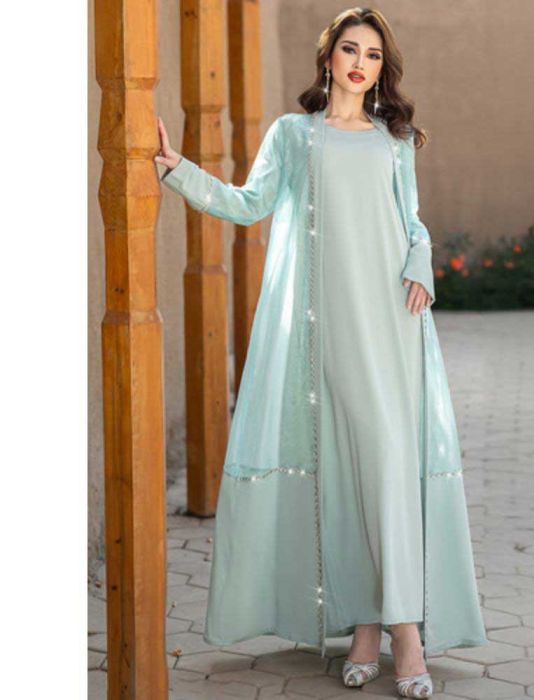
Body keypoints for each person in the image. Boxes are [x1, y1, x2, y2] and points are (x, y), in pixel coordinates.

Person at [155, 7, 487, 698]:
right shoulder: (293, 135)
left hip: (391, 325)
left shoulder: (394, 139)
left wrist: (422, 259)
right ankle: (365, 626)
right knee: (347, 474)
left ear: (381, 68)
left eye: (373, 54)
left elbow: (411, 220)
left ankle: (402, 633)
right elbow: (249, 204)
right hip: (324, 333)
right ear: (329, 57)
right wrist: (177, 170)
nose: (361, 63)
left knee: (389, 468)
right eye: (350, 49)